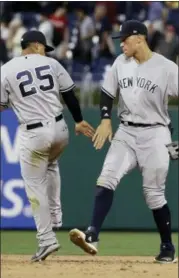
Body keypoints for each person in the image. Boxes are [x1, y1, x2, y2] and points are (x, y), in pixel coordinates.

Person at [69, 20, 178, 264]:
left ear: (139, 38)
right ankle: (92, 234)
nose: (122, 45)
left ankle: (167, 247)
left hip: (156, 134)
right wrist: (106, 119)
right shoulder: (120, 63)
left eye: (125, 39)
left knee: (153, 194)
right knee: (106, 178)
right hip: (126, 131)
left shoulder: (166, 68)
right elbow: (108, 93)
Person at [0, 30, 95, 262]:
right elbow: (69, 95)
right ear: (34, 45)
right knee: (51, 165)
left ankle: (46, 239)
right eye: (43, 46)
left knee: (34, 186)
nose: (45, 50)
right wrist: (79, 120)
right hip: (60, 129)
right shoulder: (51, 63)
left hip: (33, 133)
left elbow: (2, 105)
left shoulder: (5, 70)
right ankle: (55, 218)